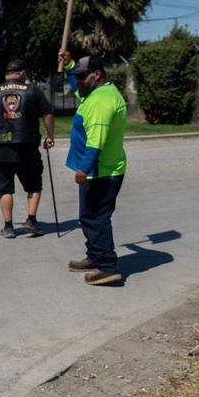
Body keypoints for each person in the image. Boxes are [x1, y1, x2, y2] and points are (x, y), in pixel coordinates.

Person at [59, 51, 126, 286]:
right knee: (89, 215)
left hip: (100, 171)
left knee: (96, 217)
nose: (77, 83)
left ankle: (107, 266)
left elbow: (95, 141)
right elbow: (79, 90)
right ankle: (95, 256)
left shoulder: (101, 101)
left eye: (81, 77)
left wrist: (83, 169)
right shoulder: (96, 94)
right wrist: (69, 65)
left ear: (96, 75)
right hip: (99, 169)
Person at [0, 59, 55, 238]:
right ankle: (31, 220)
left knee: (4, 188)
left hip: (0, 148)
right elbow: (48, 114)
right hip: (27, 146)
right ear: (21, 73)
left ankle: (8, 227)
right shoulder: (33, 91)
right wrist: (50, 137)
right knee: (33, 185)